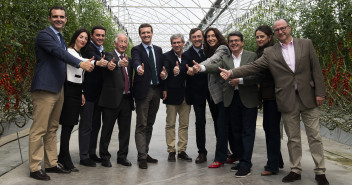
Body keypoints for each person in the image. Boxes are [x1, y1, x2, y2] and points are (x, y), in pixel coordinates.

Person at [219, 19, 329, 185]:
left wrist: (320, 93)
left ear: (289, 28)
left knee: (314, 136)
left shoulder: (306, 44)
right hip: (286, 99)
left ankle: (320, 171)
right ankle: (295, 170)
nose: (280, 32)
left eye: (282, 28)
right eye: (277, 30)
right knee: (293, 138)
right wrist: (232, 72)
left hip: (308, 97)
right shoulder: (270, 52)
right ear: (274, 33)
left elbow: (316, 69)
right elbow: (254, 67)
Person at [29, 5, 94, 181]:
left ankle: (51, 163)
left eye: (62, 17)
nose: (59, 19)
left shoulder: (60, 38)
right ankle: (34, 167)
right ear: (49, 18)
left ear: (65, 20)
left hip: (58, 88)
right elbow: (59, 54)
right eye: (55, 16)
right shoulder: (45, 35)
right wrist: (80, 64)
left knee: (52, 128)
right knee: (39, 128)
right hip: (45, 87)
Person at [200, 31, 260, 177]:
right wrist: (200, 68)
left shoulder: (251, 56)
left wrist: (238, 80)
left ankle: (246, 164)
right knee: (236, 131)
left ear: (242, 42)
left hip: (248, 97)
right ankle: (241, 159)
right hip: (232, 98)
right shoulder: (226, 58)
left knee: (248, 131)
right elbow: (215, 67)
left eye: (236, 41)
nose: (234, 43)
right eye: (231, 41)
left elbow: (257, 75)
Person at [189, 27, 235, 168]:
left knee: (221, 124)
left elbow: (213, 61)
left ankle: (222, 155)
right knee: (211, 123)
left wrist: (198, 67)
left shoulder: (222, 48)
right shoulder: (205, 50)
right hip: (207, 93)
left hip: (220, 92)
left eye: (212, 36)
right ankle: (214, 153)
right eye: (208, 36)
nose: (210, 38)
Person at [132, 23, 167, 169]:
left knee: (150, 123)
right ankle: (141, 156)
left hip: (156, 90)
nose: (146, 35)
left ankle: (145, 152)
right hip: (143, 91)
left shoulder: (158, 50)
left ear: (152, 33)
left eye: (148, 32)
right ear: (140, 35)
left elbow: (162, 69)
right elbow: (135, 61)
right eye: (143, 33)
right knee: (142, 123)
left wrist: (164, 76)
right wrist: (138, 68)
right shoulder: (136, 49)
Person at [98, 33, 134, 167]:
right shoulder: (108, 56)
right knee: (107, 129)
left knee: (125, 131)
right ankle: (104, 156)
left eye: (125, 42)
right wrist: (117, 63)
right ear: (115, 43)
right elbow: (110, 65)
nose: (124, 44)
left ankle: (122, 156)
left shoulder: (129, 60)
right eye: (121, 41)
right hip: (111, 100)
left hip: (126, 99)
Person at [254, 25, 284, 176]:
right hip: (268, 95)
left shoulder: (272, 51)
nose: (259, 39)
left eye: (262, 37)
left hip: (275, 95)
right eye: (257, 37)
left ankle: (272, 166)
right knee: (270, 128)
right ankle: (277, 160)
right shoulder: (261, 51)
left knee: (271, 129)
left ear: (270, 37)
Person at [182, 28, 212, 164]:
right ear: (190, 39)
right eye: (194, 37)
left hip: (212, 90)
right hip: (196, 92)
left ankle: (224, 148)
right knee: (200, 121)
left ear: (203, 37)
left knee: (220, 120)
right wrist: (187, 70)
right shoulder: (187, 54)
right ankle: (202, 151)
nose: (197, 39)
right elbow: (184, 67)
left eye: (199, 36)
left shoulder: (210, 51)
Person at [80, 25, 108, 167]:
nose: (100, 38)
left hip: (98, 94)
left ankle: (91, 152)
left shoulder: (101, 50)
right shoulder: (87, 49)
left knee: (95, 124)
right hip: (88, 93)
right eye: (98, 35)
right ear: (92, 36)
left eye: (102, 35)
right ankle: (84, 156)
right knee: (86, 125)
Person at [162, 34, 192, 162]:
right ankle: (171, 150)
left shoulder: (189, 56)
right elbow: (165, 71)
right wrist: (165, 76)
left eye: (179, 42)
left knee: (184, 124)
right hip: (172, 94)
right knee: (171, 124)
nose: (176, 45)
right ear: (171, 44)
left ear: (183, 43)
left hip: (187, 94)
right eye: (174, 43)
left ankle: (182, 150)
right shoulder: (167, 56)